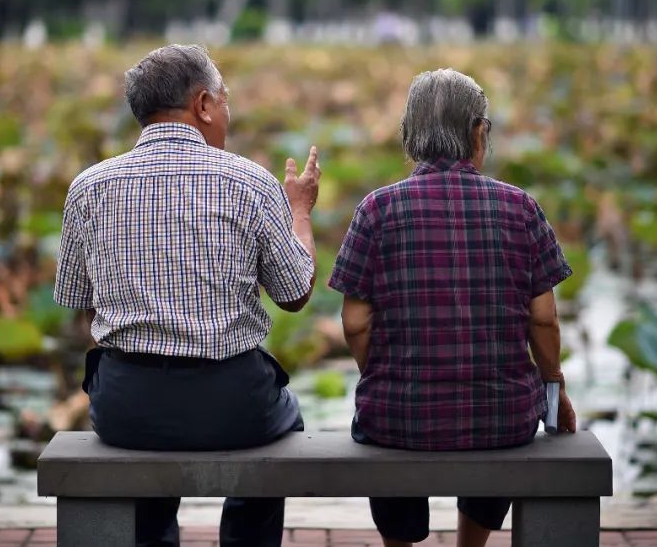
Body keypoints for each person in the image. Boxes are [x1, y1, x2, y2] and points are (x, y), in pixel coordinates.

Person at [54, 44, 321, 547]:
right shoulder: (250, 183)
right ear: (203, 105)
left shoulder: (88, 187)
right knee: (287, 419)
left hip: (125, 406)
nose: (228, 115)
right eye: (225, 101)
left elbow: (79, 304)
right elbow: (294, 294)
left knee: (151, 438)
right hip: (233, 404)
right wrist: (300, 211)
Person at [329, 68, 577, 547]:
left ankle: (400, 543)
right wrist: (556, 387)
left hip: (398, 415)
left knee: (388, 426)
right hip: (502, 417)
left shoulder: (376, 210)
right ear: (478, 133)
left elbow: (355, 323)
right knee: (498, 422)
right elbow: (543, 318)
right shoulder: (520, 207)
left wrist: (383, 373)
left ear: (409, 138)